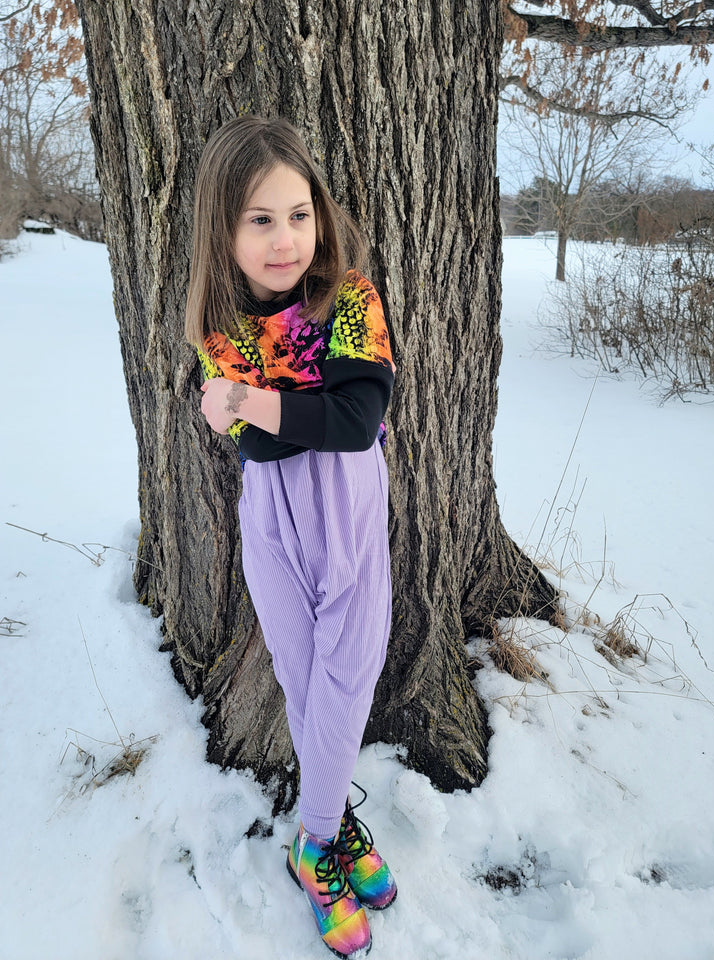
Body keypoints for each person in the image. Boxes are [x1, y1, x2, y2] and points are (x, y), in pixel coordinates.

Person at [185, 115, 397, 959]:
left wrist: (248, 400)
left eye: (299, 215)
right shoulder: (219, 326)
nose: (285, 240)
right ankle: (332, 827)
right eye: (260, 219)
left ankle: (312, 846)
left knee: (349, 672)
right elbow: (268, 446)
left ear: (321, 217)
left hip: (346, 505)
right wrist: (272, 410)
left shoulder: (349, 300)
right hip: (270, 514)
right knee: (304, 678)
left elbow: (355, 421)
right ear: (225, 231)